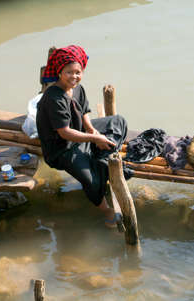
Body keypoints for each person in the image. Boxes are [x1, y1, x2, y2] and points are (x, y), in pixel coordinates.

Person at [36, 45, 128, 227]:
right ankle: (107, 210)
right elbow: (65, 132)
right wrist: (96, 139)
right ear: (60, 72)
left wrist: (93, 131)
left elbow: (84, 111)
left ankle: (99, 158)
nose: (74, 76)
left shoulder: (78, 88)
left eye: (78, 72)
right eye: (69, 72)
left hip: (81, 134)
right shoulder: (54, 98)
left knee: (118, 121)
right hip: (61, 149)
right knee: (90, 180)